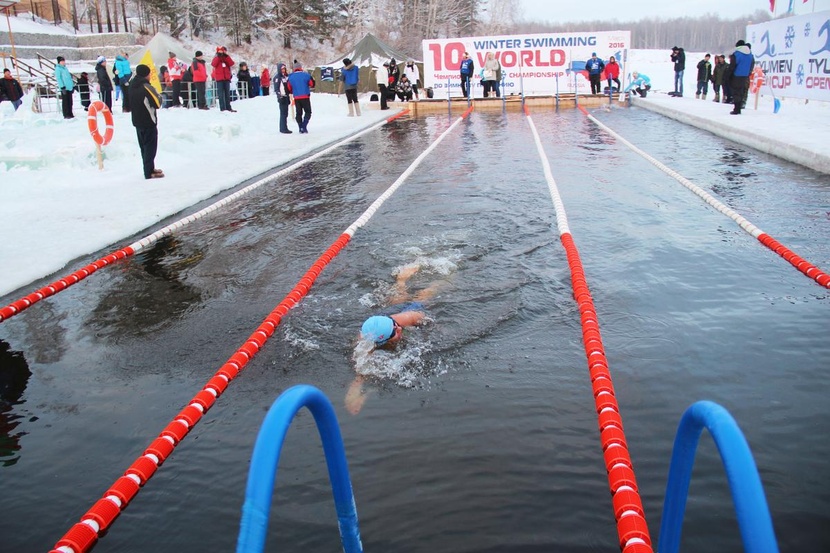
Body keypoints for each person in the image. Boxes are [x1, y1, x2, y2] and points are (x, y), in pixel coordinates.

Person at [348, 265, 441, 414]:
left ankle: (435, 280)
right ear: (383, 341)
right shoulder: (366, 342)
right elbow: (358, 376)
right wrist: (354, 399)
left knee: (423, 297)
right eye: (395, 332)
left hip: (406, 314)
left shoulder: (403, 320)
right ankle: (401, 282)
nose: (398, 329)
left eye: (396, 327)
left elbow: (429, 321)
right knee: (397, 300)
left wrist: (434, 331)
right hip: (381, 322)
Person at [129, 64, 163, 180]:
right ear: (146, 74)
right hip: (148, 121)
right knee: (150, 147)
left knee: (143, 147)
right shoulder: (146, 87)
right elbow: (157, 103)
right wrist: (159, 96)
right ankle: (148, 172)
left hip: (137, 121)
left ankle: (149, 168)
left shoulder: (132, 86)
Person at [287, 61, 314, 133]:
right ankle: (304, 125)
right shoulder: (306, 75)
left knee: (298, 113)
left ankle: (300, 127)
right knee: (308, 112)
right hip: (305, 96)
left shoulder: (291, 77)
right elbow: (312, 84)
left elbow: (289, 88)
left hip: (296, 97)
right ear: (300, 67)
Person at [729, 40, 754, 115]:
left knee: (736, 92)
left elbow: (732, 66)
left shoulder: (737, 54)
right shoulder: (750, 55)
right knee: (741, 92)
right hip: (745, 76)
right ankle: (739, 107)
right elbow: (751, 65)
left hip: (736, 75)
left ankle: (736, 109)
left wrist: (729, 75)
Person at [211, 46, 235, 112]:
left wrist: (226, 56)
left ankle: (228, 107)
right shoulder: (216, 58)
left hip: (226, 78)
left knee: (227, 93)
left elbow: (231, 63)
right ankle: (222, 108)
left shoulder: (226, 57)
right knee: (220, 94)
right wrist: (218, 56)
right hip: (219, 78)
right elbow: (213, 64)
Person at [273, 63, 292, 133]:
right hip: (282, 97)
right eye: (282, 69)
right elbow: (276, 88)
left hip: (286, 96)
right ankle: (283, 128)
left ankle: (285, 127)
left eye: (284, 69)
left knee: (285, 113)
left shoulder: (285, 77)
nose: (283, 70)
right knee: (283, 113)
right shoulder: (277, 77)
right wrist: (279, 96)